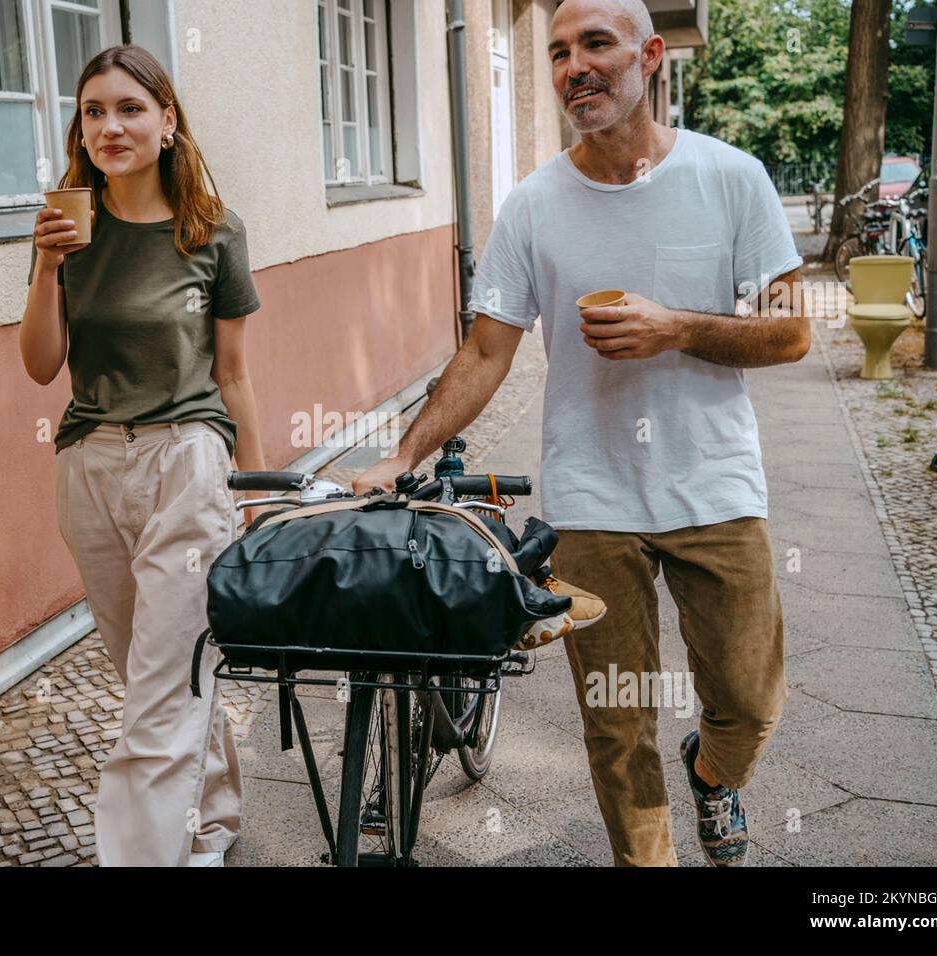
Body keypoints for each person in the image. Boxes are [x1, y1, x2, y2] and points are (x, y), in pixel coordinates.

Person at [353, 0, 807, 866]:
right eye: (559, 51)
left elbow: (790, 332)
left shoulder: (731, 176)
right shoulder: (533, 205)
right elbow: (487, 351)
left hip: (713, 486)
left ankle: (714, 775)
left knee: (749, 701)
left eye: (596, 43)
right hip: (589, 496)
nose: (575, 67)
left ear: (652, 56)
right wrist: (402, 456)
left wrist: (676, 327)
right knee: (615, 720)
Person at [20, 44, 265, 867]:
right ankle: (213, 822)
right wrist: (48, 265)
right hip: (88, 467)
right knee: (153, 675)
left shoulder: (215, 232)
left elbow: (233, 374)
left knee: (159, 695)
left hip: (187, 462)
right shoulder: (65, 228)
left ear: (167, 122)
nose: (109, 125)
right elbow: (40, 364)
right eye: (93, 110)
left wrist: (256, 495)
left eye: (129, 108)